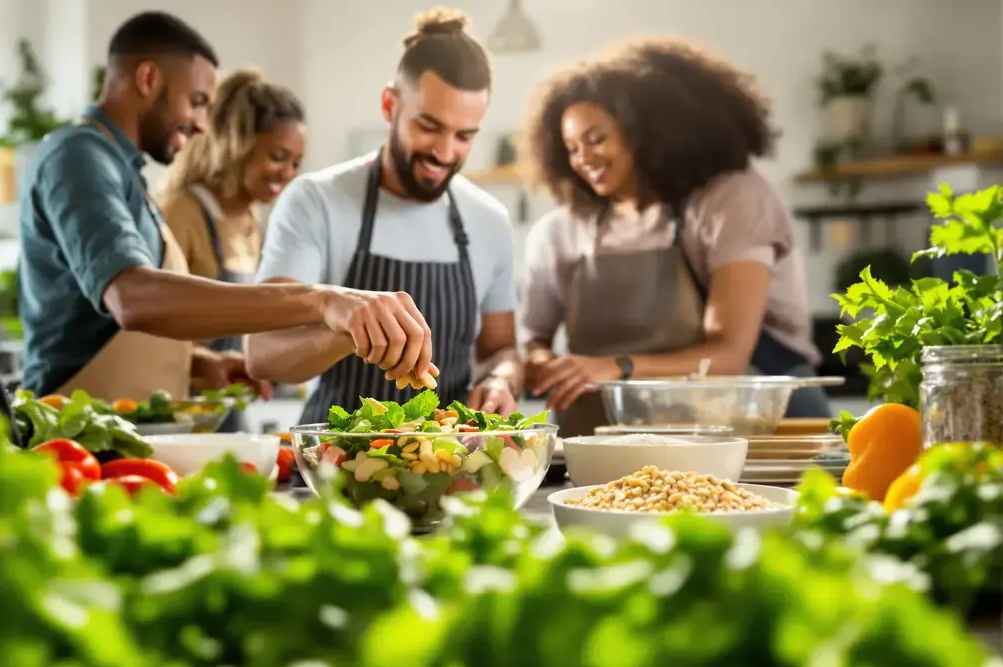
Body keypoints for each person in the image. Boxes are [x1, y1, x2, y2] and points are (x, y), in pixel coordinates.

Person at [18, 11, 433, 404]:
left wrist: (199, 364)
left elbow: (97, 330)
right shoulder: (79, 155)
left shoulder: (122, 170)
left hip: (117, 434)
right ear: (147, 78)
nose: (202, 123)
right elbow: (134, 299)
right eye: (197, 100)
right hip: (69, 439)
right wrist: (322, 300)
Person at [517, 37, 829, 439]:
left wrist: (615, 368)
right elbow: (532, 340)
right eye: (572, 148)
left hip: (755, 426)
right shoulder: (559, 231)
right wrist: (544, 363)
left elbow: (729, 353)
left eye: (596, 139)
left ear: (645, 130)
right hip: (607, 437)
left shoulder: (730, 200)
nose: (583, 160)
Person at [245, 8, 522, 423]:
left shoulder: (489, 220)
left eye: (464, 136)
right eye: (429, 126)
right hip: (335, 467)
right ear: (390, 105)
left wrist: (501, 380)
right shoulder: (315, 201)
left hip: (450, 464)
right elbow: (263, 355)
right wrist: (349, 333)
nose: (445, 153)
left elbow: (501, 350)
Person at [156, 69, 306, 430]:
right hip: (179, 411)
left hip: (231, 407)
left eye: (295, 163)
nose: (287, 172)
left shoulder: (251, 223)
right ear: (238, 144)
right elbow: (148, 326)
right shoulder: (182, 211)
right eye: (278, 156)